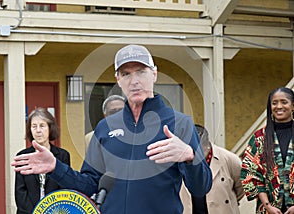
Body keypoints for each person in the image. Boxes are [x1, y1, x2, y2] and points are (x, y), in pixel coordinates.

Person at [12, 44, 212, 214]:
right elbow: (90, 185)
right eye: (126, 74)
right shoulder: (105, 127)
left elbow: (201, 187)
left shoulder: (180, 123)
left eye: (141, 72)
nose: (134, 81)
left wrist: (189, 155)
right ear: (118, 79)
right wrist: (57, 167)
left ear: (154, 74)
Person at [241, 87, 294, 214]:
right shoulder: (259, 138)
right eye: (274, 103)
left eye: (284, 102)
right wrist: (267, 206)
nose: (279, 106)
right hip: (268, 209)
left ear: (293, 106)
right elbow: (250, 173)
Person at [14, 107, 71, 214]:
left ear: (50, 128)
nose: (38, 130)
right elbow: (20, 192)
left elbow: (65, 189)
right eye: (34, 126)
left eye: (42, 126)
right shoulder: (23, 156)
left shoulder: (63, 156)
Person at [181, 124, 244, 214]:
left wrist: (226, 202)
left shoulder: (229, 159)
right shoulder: (178, 160)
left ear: (207, 146)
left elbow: (241, 186)